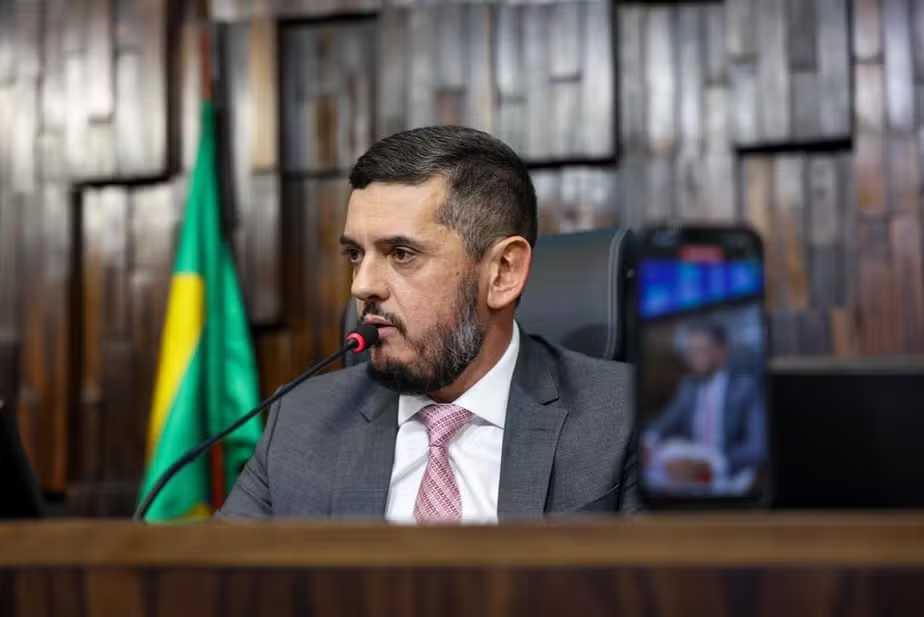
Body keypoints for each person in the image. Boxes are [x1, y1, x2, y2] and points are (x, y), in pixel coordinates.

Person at [218, 126, 639, 522]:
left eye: (402, 254)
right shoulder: (301, 422)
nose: (362, 285)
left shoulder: (628, 416)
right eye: (355, 255)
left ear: (503, 273)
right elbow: (218, 573)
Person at [643, 322, 766, 487]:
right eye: (689, 352)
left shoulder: (746, 388)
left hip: (727, 471)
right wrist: (646, 443)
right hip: (689, 466)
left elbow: (757, 447)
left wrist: (711, 465)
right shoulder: (688, 386)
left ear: (721, 352)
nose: (691, 358)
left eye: (699, 350)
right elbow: (664, 423)